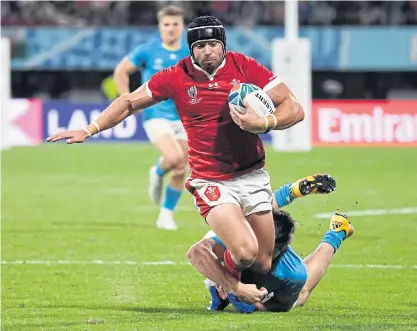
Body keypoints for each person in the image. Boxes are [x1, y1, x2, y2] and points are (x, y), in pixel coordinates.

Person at [47, 15, 304, 303]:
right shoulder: (176, 76)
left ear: (223, 45)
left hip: (252, 174)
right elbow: (129, 102)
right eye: (201, 45)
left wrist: (265, 123)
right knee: (244, 253)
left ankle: (209, 250)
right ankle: (224, 284)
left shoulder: (244, 66)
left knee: (262, 263)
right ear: (191, 48)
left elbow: (294, 107)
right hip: (210, 178)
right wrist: (89, 128)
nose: (208, 51)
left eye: (213, 44)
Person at [188, 173, 354, 313]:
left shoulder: (293, 273)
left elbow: (277, 306)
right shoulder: (239, 238)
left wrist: (254, 303)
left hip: (274, 279)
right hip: (240, 242)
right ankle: (292, 191)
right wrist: (233, 286)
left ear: (281, 250)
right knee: (253, 216)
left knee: (301, 294)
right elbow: (196, 252)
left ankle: (337, 233)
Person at [113, 5, 190, 230]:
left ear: (181, 26)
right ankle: (158, 171)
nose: (171, 29)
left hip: (183, 115)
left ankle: (166, 214)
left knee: (180, 168)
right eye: (166, 24)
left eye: (175, 24)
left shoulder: (189, 52)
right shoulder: (148, 50)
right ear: (160, 26)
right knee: (176, 159)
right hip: (155, 113)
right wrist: (127, 99)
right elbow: (121, 71)